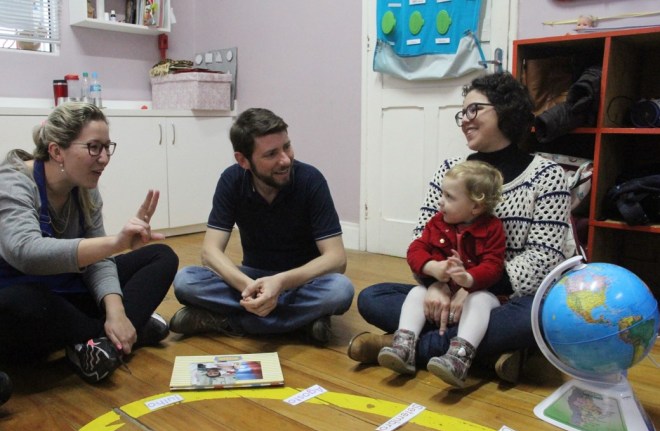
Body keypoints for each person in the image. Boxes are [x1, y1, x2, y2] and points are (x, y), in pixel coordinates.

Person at [349, 72, 574, 384]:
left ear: (506, 111)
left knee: (540, 318)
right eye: (462, 113)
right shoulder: (450, 171)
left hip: (506, 299)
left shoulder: (548, 176)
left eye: (474, 110)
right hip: (447, 290)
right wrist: (437, 284)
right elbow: (421, 238)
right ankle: (483, 353)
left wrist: (474, 287)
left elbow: (544, 260)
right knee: (372, 297)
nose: (464, 120)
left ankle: (400, 344)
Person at [0, 102, 179, 384]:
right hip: (29, 302)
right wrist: (114, 243)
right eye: (94, 147)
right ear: (56, 151)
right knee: (18, 304)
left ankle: (100, 340)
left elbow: (99, 261)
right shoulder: (13, 182)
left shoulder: (85, 187)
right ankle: (119, 333)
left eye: (107, 147)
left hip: (69, 295)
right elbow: (26, 252)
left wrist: (116, 311)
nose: (104, 158)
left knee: (161, 257)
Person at [171, 108, 354, 344]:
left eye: (287, 146)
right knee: (185, 280)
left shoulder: (311, 180)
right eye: (271, 154)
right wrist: (248, 287)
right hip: (252, 279)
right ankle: (302, 323)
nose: (285, 159)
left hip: (300, 281)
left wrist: (280, 283)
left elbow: (336, 259)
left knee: (340, 290)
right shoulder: (231, 180)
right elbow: (210, 252)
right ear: (243, 160)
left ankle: (228, 321)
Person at [377, 161, 506, 388]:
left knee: (480, 300)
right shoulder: (437, 223)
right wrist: (432, 268)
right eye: (442, 194)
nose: (440, 201)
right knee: (415, 293)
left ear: (476, 207)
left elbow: (494, 266)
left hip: (476, 299)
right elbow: (415, 250)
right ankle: (404, 347)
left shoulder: (493, 228)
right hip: (440, 301)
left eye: (449, 197)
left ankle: (458, 358)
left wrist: (468, 280)